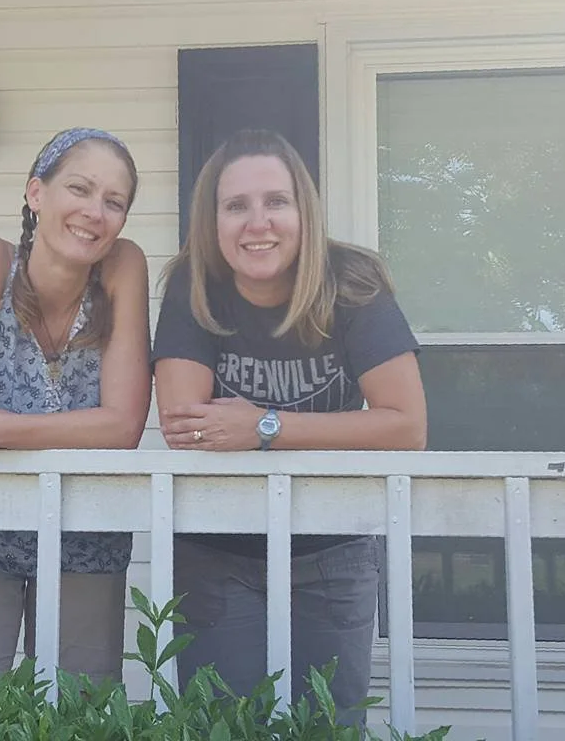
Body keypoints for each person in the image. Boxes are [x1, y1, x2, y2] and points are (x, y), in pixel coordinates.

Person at [152, 129, 426, 725]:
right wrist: (316, 430)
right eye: (236, 205)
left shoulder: (352, 283)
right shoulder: (194, 286)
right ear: (212, 221)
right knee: (223, 728)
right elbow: (184, 424)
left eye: (276, 201)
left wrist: (265, 427)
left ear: (305, 210)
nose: (258, 223)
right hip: (218, 547)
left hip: (333, 546)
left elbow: (406, 426)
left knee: (329, 727)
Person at [0, 127, 151, 684]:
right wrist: (68, 430)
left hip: (88, 535)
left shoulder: (122, 266)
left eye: (114, 201)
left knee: (84, 714)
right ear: (36, 193)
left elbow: (122, 428)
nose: (95, 212)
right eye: (80, 189)